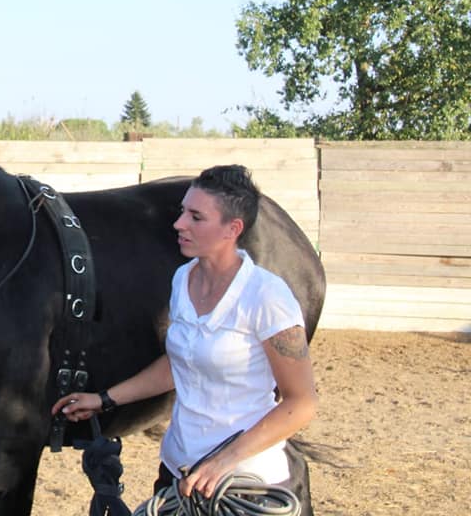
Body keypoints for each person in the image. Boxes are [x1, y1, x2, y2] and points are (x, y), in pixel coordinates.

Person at [52, 164, 317, 512]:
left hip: (245, 484)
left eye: (196, 217)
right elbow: (180, 362)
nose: (179, 224)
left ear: (233, 229)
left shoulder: (268, 297)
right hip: (179, 474)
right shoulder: (184, 279)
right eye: (182, 212)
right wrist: (104, 399)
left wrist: (222, 462)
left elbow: (301, 403)